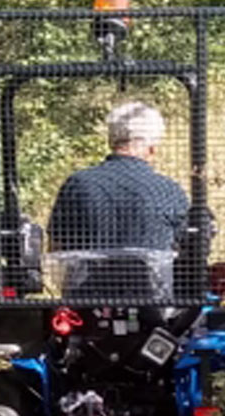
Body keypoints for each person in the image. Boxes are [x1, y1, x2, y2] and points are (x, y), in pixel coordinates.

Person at [47, 102, 189, 299]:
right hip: (151, 305)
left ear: (111, 140)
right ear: (151, 147)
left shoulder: (78, 184)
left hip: (86, 301)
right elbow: (185, 251)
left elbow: (57, 247)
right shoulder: (168, 191)